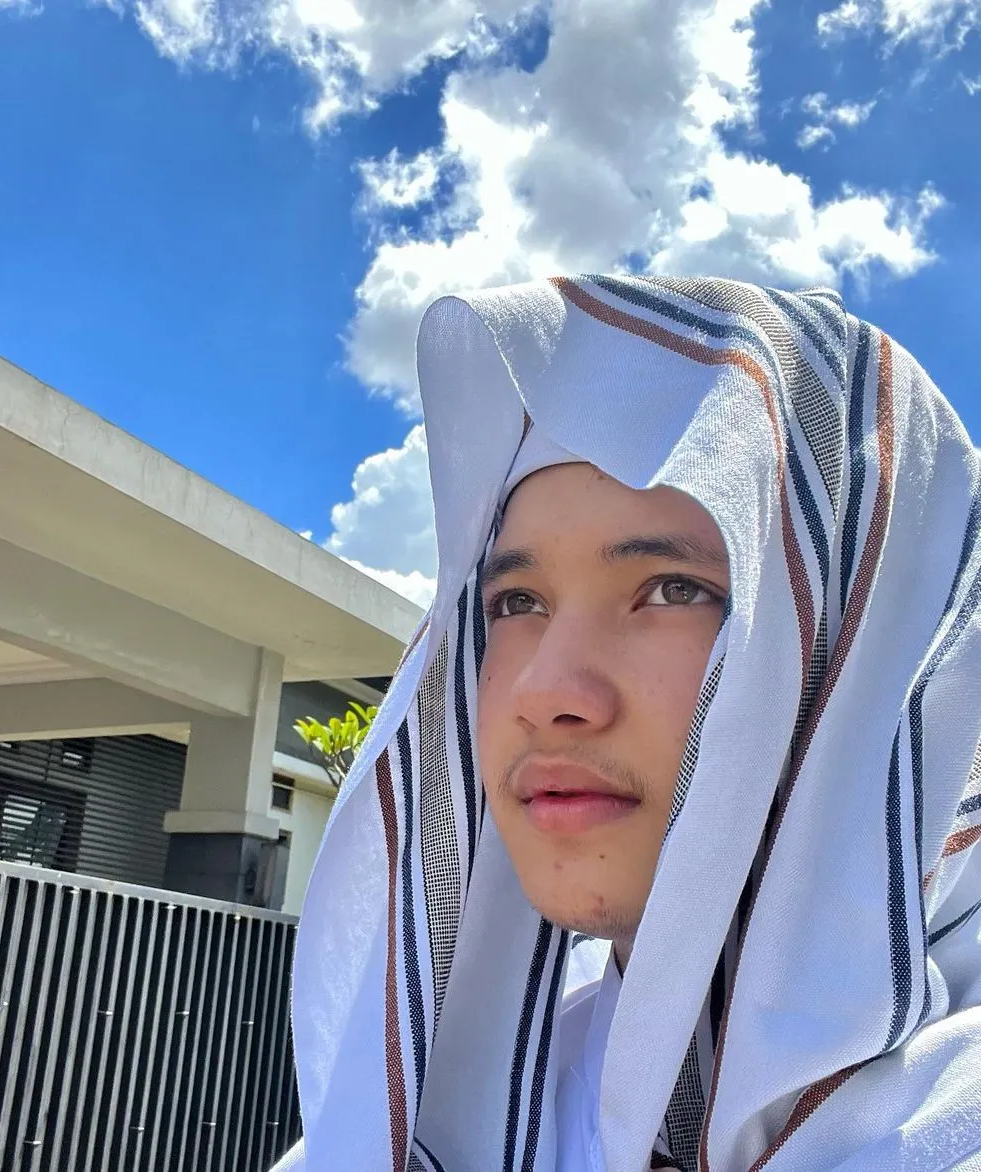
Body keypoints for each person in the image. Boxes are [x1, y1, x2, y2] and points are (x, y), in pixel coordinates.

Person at [273, 275, 981, 1171]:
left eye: (674, 590)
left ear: (867, 654)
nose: (544, 690)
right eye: (516, 601)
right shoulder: (450, 1118)